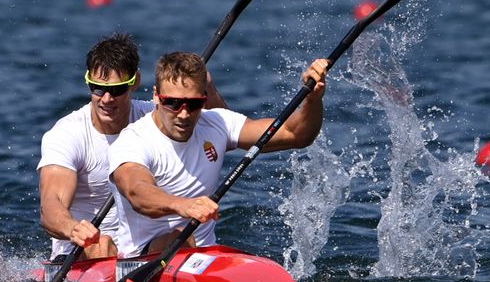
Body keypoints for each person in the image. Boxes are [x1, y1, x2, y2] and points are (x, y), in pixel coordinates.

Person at [109, 51, 329, 258]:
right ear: (156, 96)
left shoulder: (218, 123)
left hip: (204, 256)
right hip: (142, 259)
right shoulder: (134, 140)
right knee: (178, 237)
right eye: (173, 103)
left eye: (193, 104)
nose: (184, 113)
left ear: (204, 98)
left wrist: (313, 98)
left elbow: (295, 135)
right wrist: (184, 206)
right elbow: (138, 192)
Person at [38, 34, 226, 261]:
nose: (106, 99)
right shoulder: (67, 134)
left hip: (139, 249)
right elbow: (51, 206)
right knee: (102, 244)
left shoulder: (160, 115)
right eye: (97, 88)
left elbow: (217, 128)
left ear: (135, 82)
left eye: (116, 90)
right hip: (82, 251)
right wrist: (72, 228)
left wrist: (206, 89)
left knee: (178, 238)